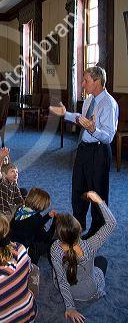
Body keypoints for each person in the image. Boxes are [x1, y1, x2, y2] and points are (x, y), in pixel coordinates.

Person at [49, 66, 118, 238]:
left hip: (99, 152)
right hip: (84, 150)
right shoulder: (89, 100)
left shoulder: (109, 104)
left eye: (86, 80)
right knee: (78, 189)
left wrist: (94, 130)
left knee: (96, 193)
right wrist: (66, 114)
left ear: (97, 82)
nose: (82, 83)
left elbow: (108, 137)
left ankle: (97, 230)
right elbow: (82, 119)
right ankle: (77, 226)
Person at [50, 191, 116, 323]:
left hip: (68, 290)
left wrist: (70, 308)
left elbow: (62, 281)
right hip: (91, 292)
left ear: (59, 235)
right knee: (102, 260)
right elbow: (111, 224)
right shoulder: (90, 245)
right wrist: (99, 201)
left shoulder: (55, 248)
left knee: (57, 272)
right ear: (78, 229)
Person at [10, 187, 57, 264]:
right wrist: (55, 223)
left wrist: (47, 216)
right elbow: (46, 238)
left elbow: (35, 224)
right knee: (52, 242)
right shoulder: (36, 219)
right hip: (25, 249)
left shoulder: (21, 209)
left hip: (13, 241)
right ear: (41, 206)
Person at [0, 147, 23, 218]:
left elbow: (20, 201)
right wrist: (1, 157)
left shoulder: (14, 184)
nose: (16, 173)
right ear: (5, 174)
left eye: (17, 172)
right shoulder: (2, 181)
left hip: (7, 208)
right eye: (12, 171)